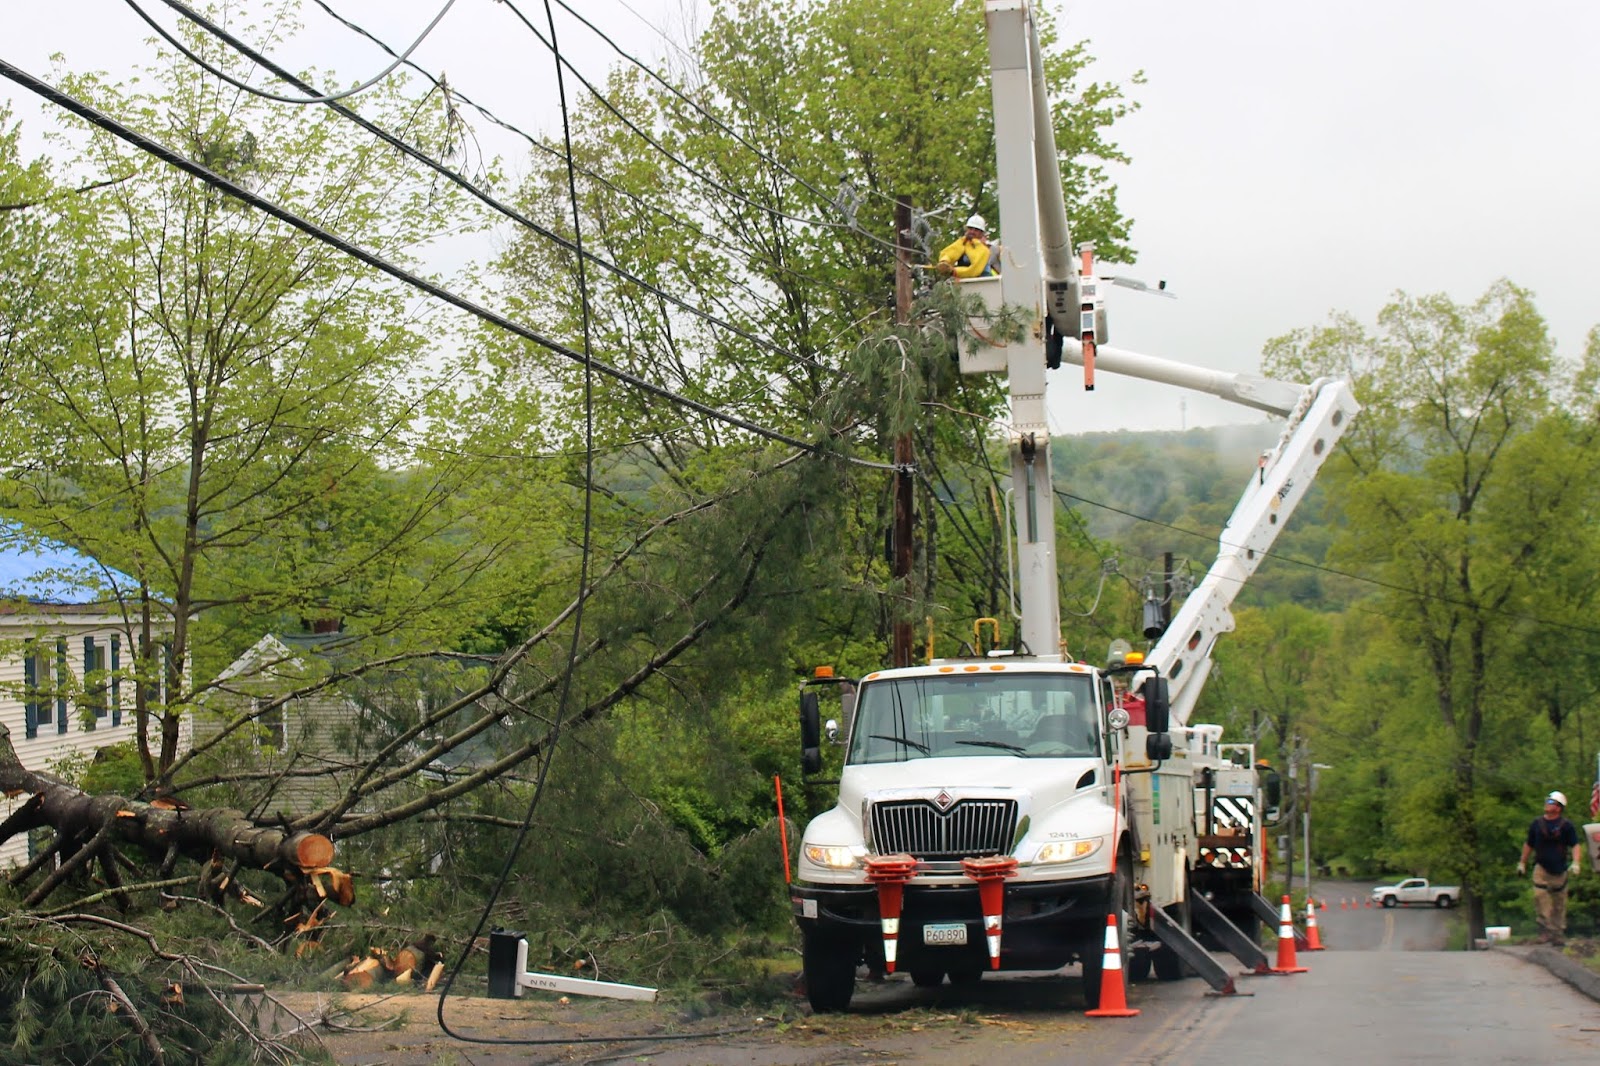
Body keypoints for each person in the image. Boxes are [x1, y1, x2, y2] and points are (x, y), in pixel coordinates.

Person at [1518, 790, 1584, 945]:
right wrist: (1522, 862)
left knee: (1559, 902)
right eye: (1547, 801)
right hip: (1541, 867)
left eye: (1551, 802)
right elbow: (1529, 844)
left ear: (1559, 807)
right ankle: (1544, 931)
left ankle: (1557, 933)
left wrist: (1576, 862)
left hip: (1560, 869)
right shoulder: (1537, 824)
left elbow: (1575, 845)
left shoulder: (1566, 826)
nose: (1547, 804)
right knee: (1540, 896)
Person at [935, 214, 997, 279]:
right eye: (970, 228)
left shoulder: (984, 250)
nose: (972, 232)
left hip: (983, 282)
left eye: (976, 230)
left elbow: (974, 270)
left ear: (981, 233)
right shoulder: (962, 243)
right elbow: (949, 253)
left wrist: (953, 271)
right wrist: (944, 262)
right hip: (964, 281)